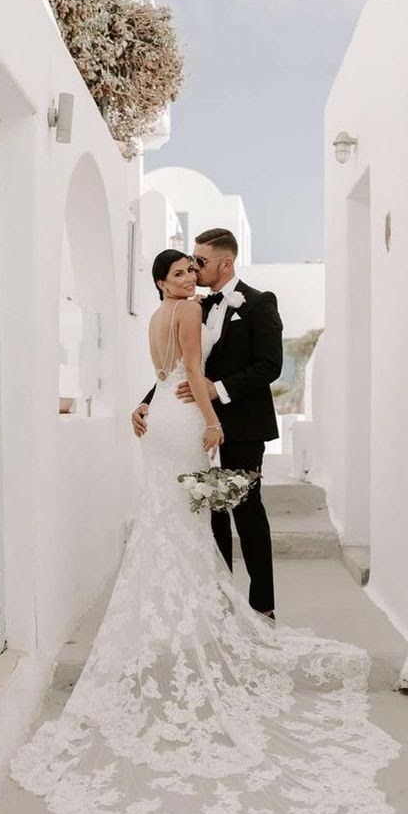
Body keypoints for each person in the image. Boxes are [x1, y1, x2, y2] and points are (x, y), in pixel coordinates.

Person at [10, 247, 400, 814]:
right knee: (192, 517)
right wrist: (213, 421)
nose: (193, 277)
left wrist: (159, 401)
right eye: (183, 271)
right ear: (166, 281)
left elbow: (176, 372)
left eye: (198, 268)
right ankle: (211, 614)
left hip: (161, 414)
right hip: (185, 418)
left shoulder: (164, 314)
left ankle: (214, 606)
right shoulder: (188, 311)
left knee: (175, 519)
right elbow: (190, 369)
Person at [132, 229, 281, 618]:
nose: (194, 268)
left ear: (225, 263)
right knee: (207, 515)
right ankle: (220, 606)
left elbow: (270, 366)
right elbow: (183, 365)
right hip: (190, 425)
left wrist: (219, 391)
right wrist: (148, 402)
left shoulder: (259, 303)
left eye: (200, 262)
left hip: (242, 425)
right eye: (189, 263)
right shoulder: (191, 305)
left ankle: (262, 606)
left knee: (247, 512)